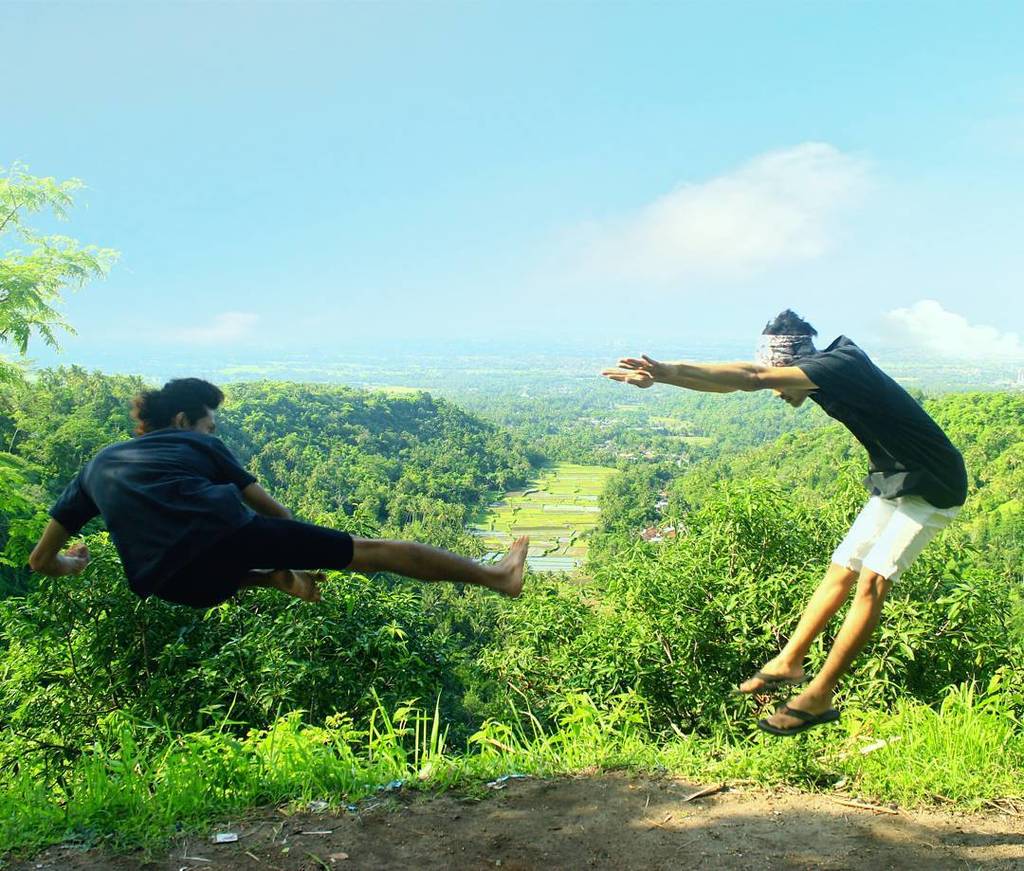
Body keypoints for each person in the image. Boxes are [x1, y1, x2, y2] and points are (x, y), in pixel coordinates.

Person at [602, 310, 967, 736]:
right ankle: (790, 661)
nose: (777, 392)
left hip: (936, 485)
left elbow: (752, 376)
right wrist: (664, 376)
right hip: (895, 480)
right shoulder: (823, 373)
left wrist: (666, 369)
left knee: (872, 580)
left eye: (780, 379)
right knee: (842, 569)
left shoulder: (840, 366)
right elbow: (746, 378)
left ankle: (820, 695)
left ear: (794, 365)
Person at [28, 378, 528, 607]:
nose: (210, 431)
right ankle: (496, 576)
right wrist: (306, 550)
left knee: (194, 567)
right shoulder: (194, 443)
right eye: (209, 424)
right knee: (371, 552)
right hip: (226, 536)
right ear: (183, 421)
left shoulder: (96, 466)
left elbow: (39, 560)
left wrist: (72, 564)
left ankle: (270, 580)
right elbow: (267, 509)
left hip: (166, 583)